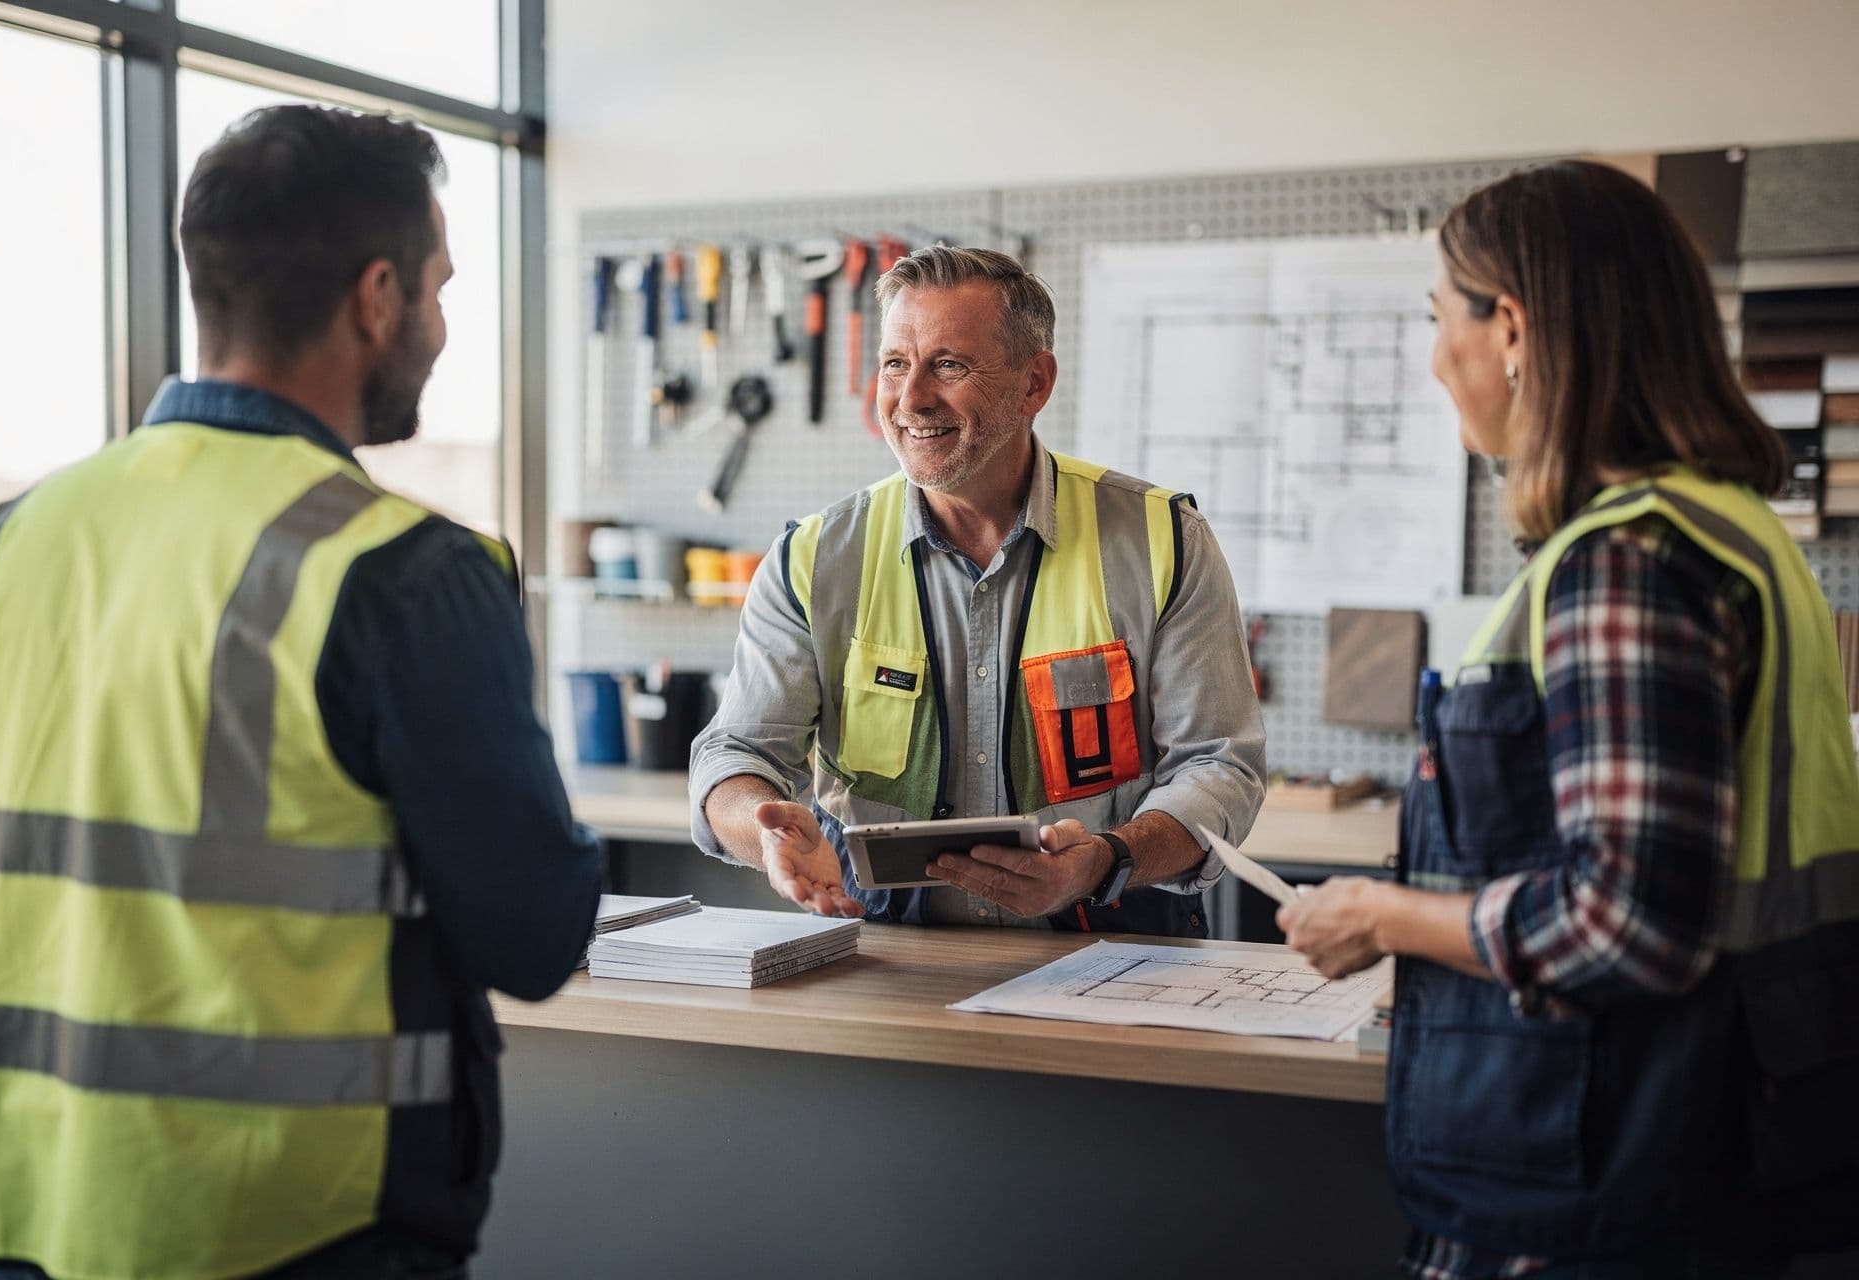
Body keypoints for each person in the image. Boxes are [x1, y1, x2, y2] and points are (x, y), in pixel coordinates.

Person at [0, 106, 601, 1280]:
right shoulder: (403, 573)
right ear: (378, 295)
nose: (442, 326)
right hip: (283, 1219)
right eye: (440, 289)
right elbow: (535, 933)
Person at [1278, 161, 1859, 1277]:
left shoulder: (1624, 563)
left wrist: (1388, 915)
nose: (1433, 353)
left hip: (1610, 1156)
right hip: (1721, 1130)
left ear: (1512, 328)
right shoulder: (1734, 526)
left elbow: (1627, 916)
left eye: (1438, 315)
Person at [690, 246, 1265, 934]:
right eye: (895, 363)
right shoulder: (813, 559)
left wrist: (1107, 859)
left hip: (1112, 956)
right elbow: (735, 756)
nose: (910, 400)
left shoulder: (1161, 541)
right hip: (891, 962)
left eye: (949, 365)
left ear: (1034, 384)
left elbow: (1219, 768)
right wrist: (766, 833)